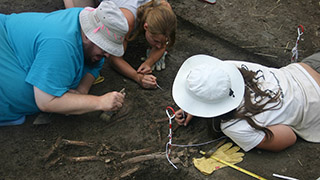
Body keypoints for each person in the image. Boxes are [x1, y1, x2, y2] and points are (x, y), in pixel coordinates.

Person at [0, 1, 129, 126]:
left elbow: (95, 64)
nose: (107, 56)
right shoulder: (61, 44)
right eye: (104, 47)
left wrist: (82, 91)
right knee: (23, 94)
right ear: (87, 37)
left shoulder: (86, 21)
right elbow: (46, 102)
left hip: (14, 41)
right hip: (5, 42)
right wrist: (99, 102)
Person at [172, 53, 320, 152]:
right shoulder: (227, 68)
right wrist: (193, 107)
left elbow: (289, 138)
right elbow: (216, 86)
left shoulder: (234, 126)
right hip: (306, 68)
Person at [63, 0, 177, 89]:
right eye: (156, 41)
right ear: (146, 26)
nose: (159, 46)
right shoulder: (126, 21)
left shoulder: (165, 10)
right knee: (78, 20)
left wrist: (149, 62)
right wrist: (137, 77)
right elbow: (115, 59)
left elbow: (163, 44)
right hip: (124, 7)